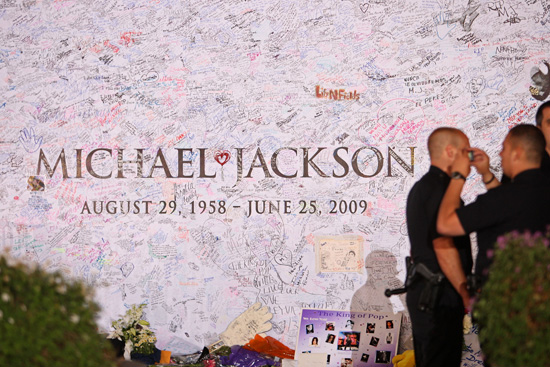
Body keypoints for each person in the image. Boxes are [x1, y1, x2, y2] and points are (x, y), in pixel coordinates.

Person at [437, 124, 550, 289]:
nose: (500, 153)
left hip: (501, 303)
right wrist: (487, 174)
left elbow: (445, 224)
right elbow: (512, 206)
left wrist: (458, 175)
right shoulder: (535, 192)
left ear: (517, 153)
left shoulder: (501, 199)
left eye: (504, 148)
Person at [406, 127, 474, 367]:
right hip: (439, 297)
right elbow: (443, 246)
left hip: (432, 294)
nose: (470, 157)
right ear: (450, 151)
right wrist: (465, 292)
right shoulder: (440, 190)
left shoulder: (425, 187)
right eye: (466, 151)